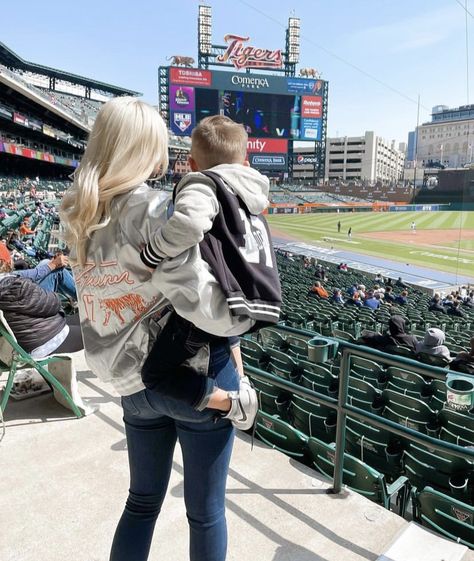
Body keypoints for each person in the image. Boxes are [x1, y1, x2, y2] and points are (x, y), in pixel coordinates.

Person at [60, 97, 257, 561]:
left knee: (141, 503)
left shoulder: (78, 215)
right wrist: (246, 321)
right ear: (141, 147)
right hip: (193, 376)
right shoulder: (152, 209)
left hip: (129, 380)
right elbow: (207, 309)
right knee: (205, 512)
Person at [138, 115, 280, 420]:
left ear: (191, 163)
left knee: (154, 376)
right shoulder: (251, 193)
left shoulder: (201, 181)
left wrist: (151, 254)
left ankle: (233, 403)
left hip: (206, 315)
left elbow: (189, 224)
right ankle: (241, 381)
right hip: (250, 309)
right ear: (246, 160)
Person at [0, 275, 83, 357]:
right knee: (93, 332)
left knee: (85, 318)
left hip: (33, 337)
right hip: (45, 341)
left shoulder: (8, 287)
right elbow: (54, 304)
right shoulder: (17, 286)